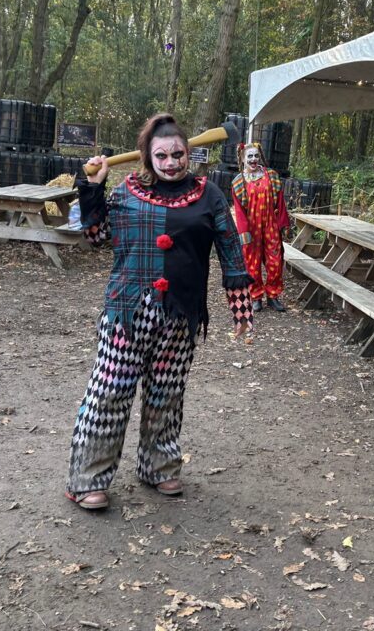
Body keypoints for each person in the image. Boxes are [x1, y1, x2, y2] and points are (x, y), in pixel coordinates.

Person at [65, 113, 254, 511]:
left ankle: (160, 466)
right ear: (148, 158)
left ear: (190, 153)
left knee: (167, 393)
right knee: (109, 392)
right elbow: (96, 236)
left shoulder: (209, 195)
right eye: (162, 156)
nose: (171, 163)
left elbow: (231, 249)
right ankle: (87, 479)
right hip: (127, 313)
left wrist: (240, 306)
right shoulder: (126, 193)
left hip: (180, 316)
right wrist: (91, 188)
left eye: (178, 154)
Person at [231, 142, 290, 312]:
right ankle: (256, 296)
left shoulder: (271, 175)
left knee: (275, 261)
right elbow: (239, 211)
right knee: (252, 263)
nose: (253, 159)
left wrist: (282, 224)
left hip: (271, 224)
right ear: (243, 159)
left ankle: (273, 296)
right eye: (250, 156)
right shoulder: (238, 182)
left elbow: (280, 202)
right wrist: (243, 232)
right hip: (251, 228)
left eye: (256, 156)